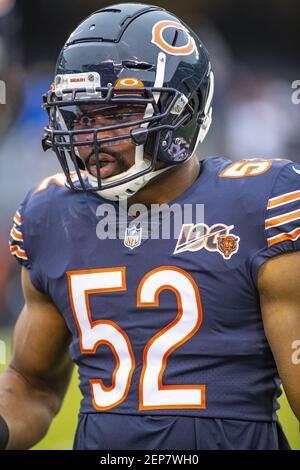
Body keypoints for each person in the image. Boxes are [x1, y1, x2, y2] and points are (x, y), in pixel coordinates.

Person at [1, 3, 300, 450]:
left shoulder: (261, 204)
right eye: (82, 115)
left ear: (184, 112)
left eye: (118, 112)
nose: (92, 137)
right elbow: (32, 383)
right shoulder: (51, 214)